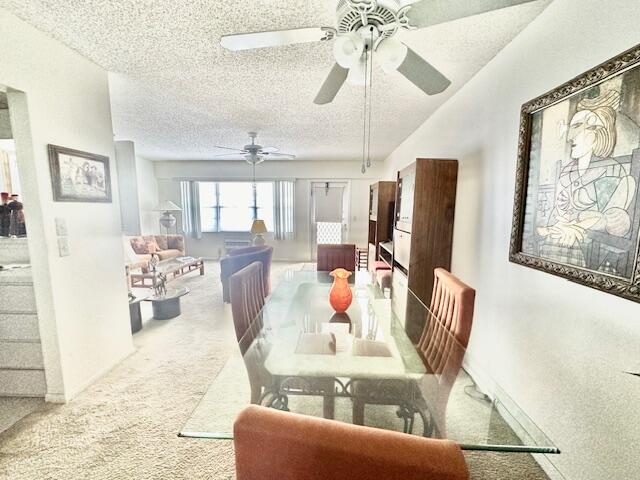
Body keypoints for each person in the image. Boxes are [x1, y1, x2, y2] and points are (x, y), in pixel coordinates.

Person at [537, 89, 636, 268]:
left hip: (596, 251)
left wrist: (578, 226)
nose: (569, 137)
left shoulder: (612, 170)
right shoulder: (567, 172)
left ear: (597, 133)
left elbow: (613, 218)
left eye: (577, 127)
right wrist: (559, 227)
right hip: (562, 242)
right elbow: (558, 212)